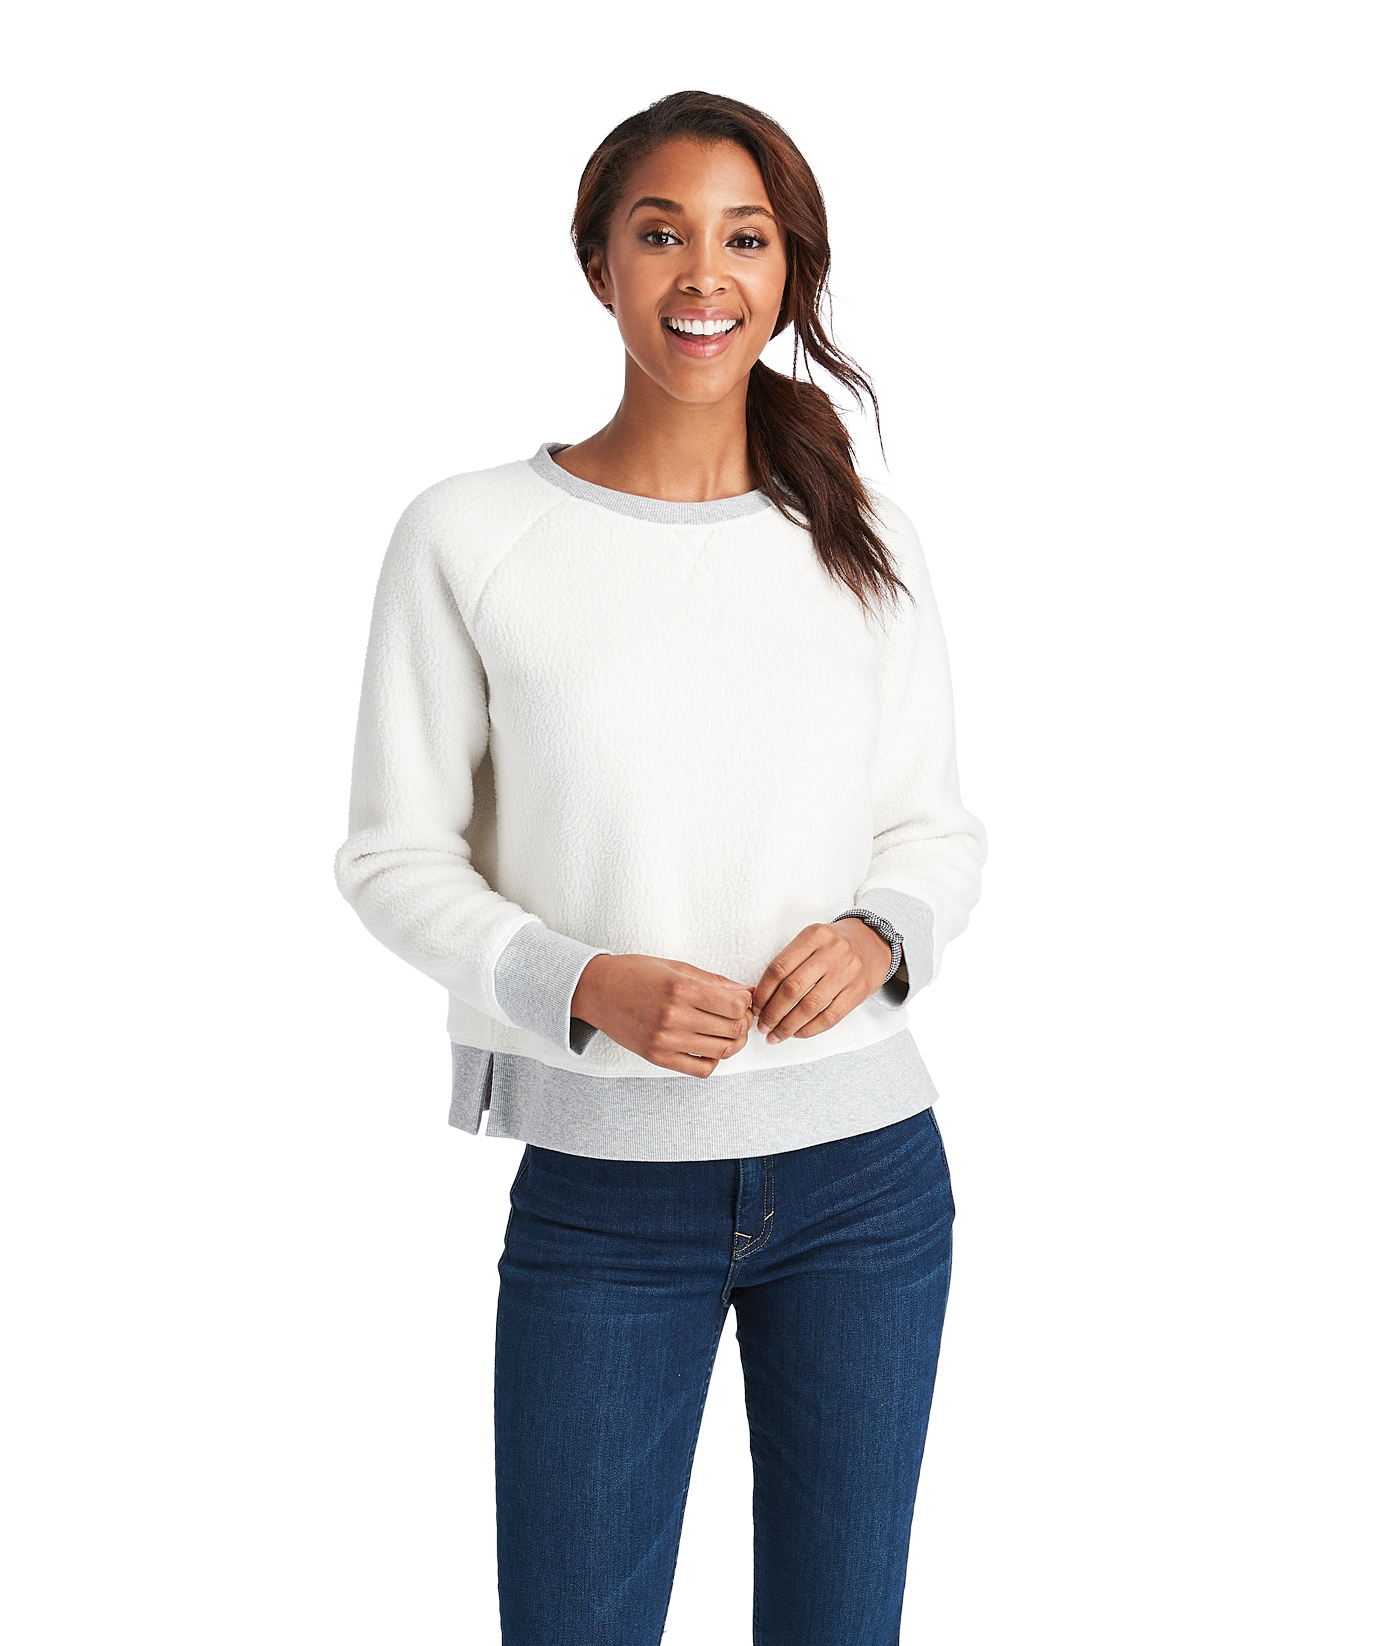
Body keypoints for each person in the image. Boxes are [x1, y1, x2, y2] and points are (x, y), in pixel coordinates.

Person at [335, 88, 988, 1646]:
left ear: (788, 271)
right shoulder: (470, 534)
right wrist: (581, 982)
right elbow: (390, 852)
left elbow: (934, 830)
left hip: (868, 1179)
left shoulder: (864, 538)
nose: (705, 274)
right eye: (661, 233)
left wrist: (882, 930)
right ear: (600, 266)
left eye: (745, 238)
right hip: (606, 1199)